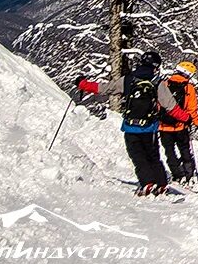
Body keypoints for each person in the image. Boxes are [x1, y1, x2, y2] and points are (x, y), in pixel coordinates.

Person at [77, 50, 190, 196]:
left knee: (138, 156)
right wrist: (186, 118)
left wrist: (83, 84)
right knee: (153, 155)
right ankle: (161, 184)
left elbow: (105, 89)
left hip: (131, 126)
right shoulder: (157, 82)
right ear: (156, 66)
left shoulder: (128, 80)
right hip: (150, 127)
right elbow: (171, 106)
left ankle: (147, 183)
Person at [159, 61, 198, 185]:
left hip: (164, 126)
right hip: (181, 125)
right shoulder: (188, 88)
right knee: (184, 149)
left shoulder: (164, 84)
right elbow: (192, 109)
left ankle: (177, 174)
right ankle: (188, 175)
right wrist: (197, 123)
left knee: (169, 151)